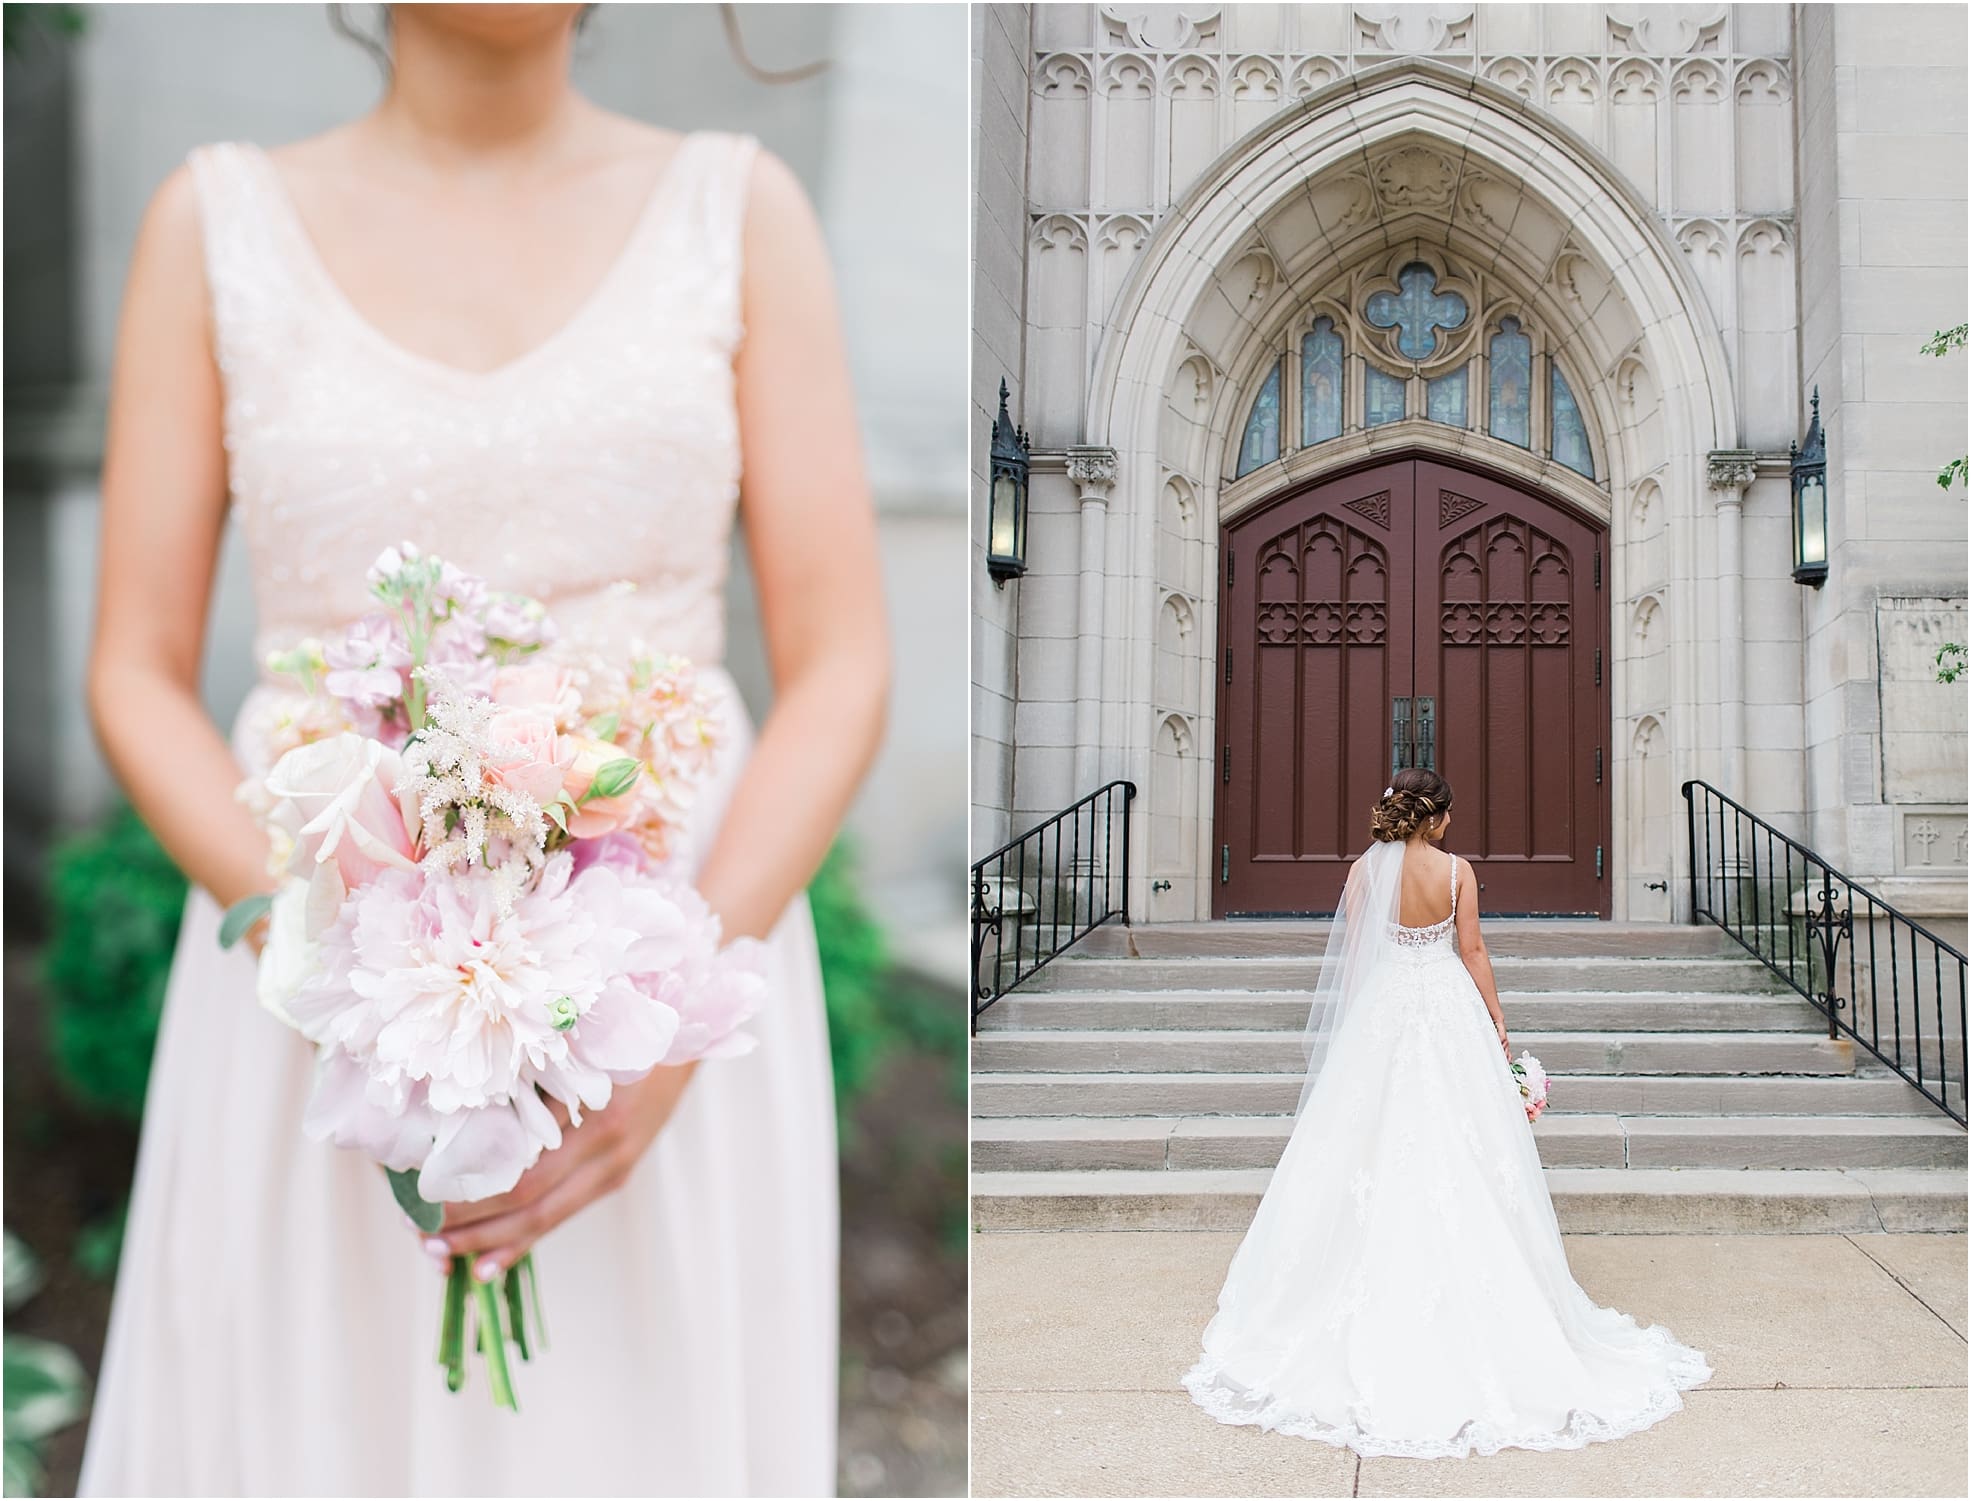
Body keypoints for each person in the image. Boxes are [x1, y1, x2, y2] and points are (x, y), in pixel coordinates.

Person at [79, 5, 887, 1493]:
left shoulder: (738, 210)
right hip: (311, 974)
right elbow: (132, 667)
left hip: (661, 958)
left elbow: (840, 664)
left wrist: (670, 1007)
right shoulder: (212, 224)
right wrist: (322, 942)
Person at [1182, 767, 1710, 1457]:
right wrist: (1496, 1017)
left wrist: (1354, 1024)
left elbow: (1352, 953)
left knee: (1364, 1141)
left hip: (1385, 1006)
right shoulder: (1457, 871)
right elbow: (1472, 950)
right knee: (1460, 1142)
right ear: (1439, 817)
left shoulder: (1362, 872)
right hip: (1444, 1007)